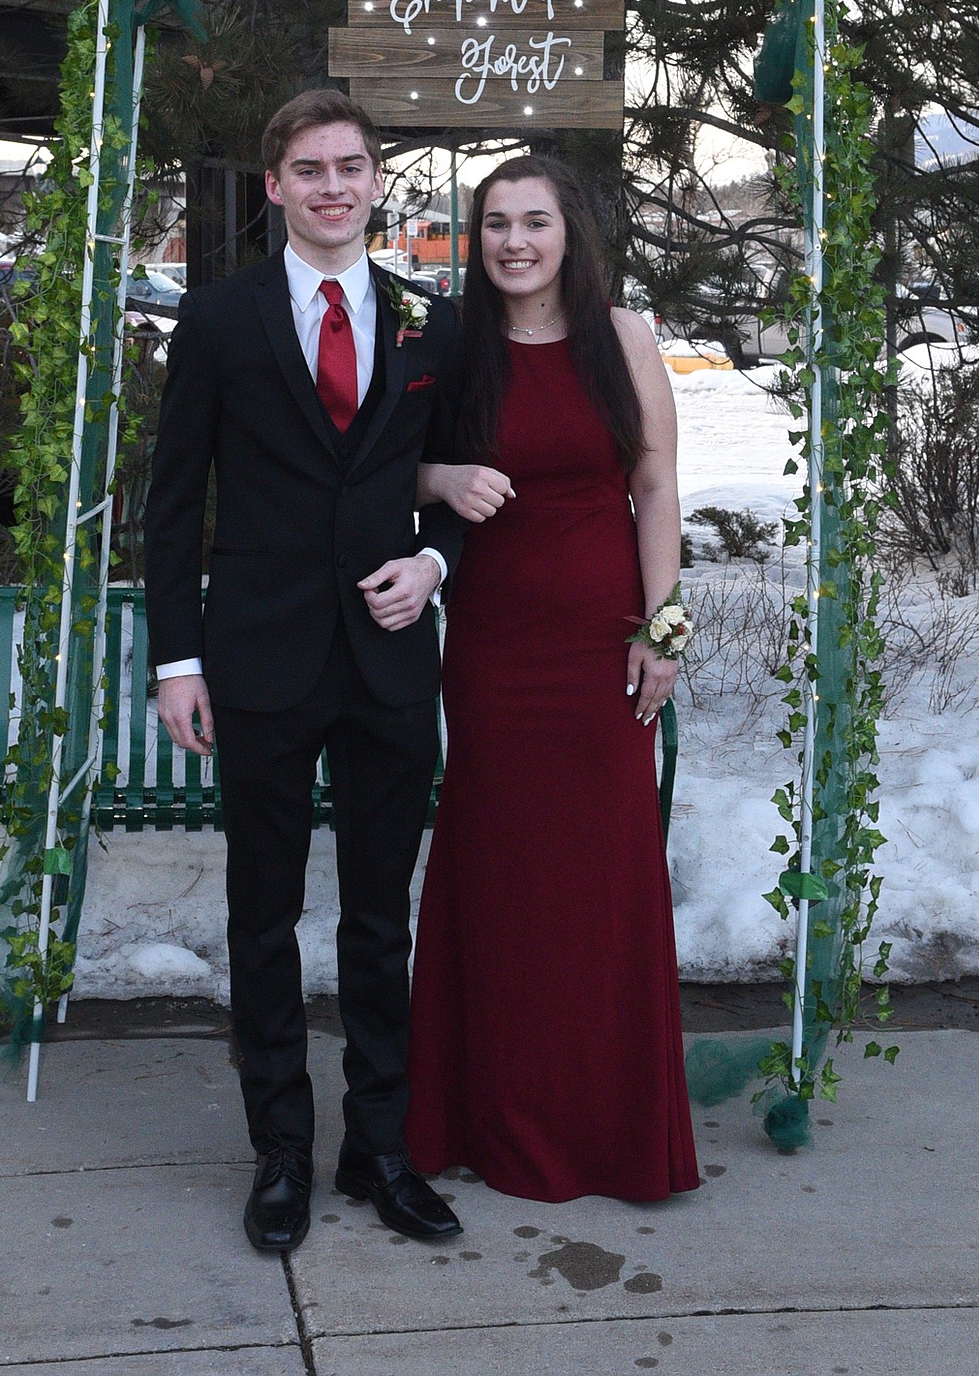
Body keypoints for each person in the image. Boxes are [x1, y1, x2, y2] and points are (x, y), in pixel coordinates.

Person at [143, 89, 466, 1253]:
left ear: (378, 182)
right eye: (310, 168)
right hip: (261, 661)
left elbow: (461, 480)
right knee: (264, 915)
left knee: (383, 920)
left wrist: (433, 561)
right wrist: (176, 658)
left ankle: (379, 1145)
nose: (333, 185)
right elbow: (174, 505)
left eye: (353, 166)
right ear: (275, 185)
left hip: (388, 666)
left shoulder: (430, 322)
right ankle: (280, 1146)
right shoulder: (221, 320)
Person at [405, 154, 700, 1202]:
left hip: (601, 647)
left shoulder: (622, 339)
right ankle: (488, 1117)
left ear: (571, 231)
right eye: (495, 223)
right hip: (492, 648)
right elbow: (385, 461)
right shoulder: (453, 340)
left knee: (603, 881)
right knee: (503, 877)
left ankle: (611, 1127)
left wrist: (664, 627)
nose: (514, 241)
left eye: (533, 220)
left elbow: (658, 484)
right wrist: (440, 475)